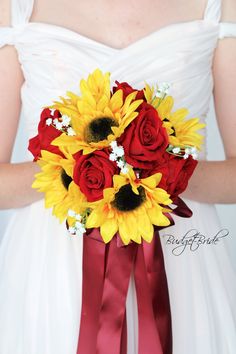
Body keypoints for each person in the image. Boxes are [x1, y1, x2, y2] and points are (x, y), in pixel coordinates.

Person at [0, 0, 235, 353]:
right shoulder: (16, 7)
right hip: (52, 271)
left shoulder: (220, 7)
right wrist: (77, 166)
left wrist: (162, 170)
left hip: (180, 265)